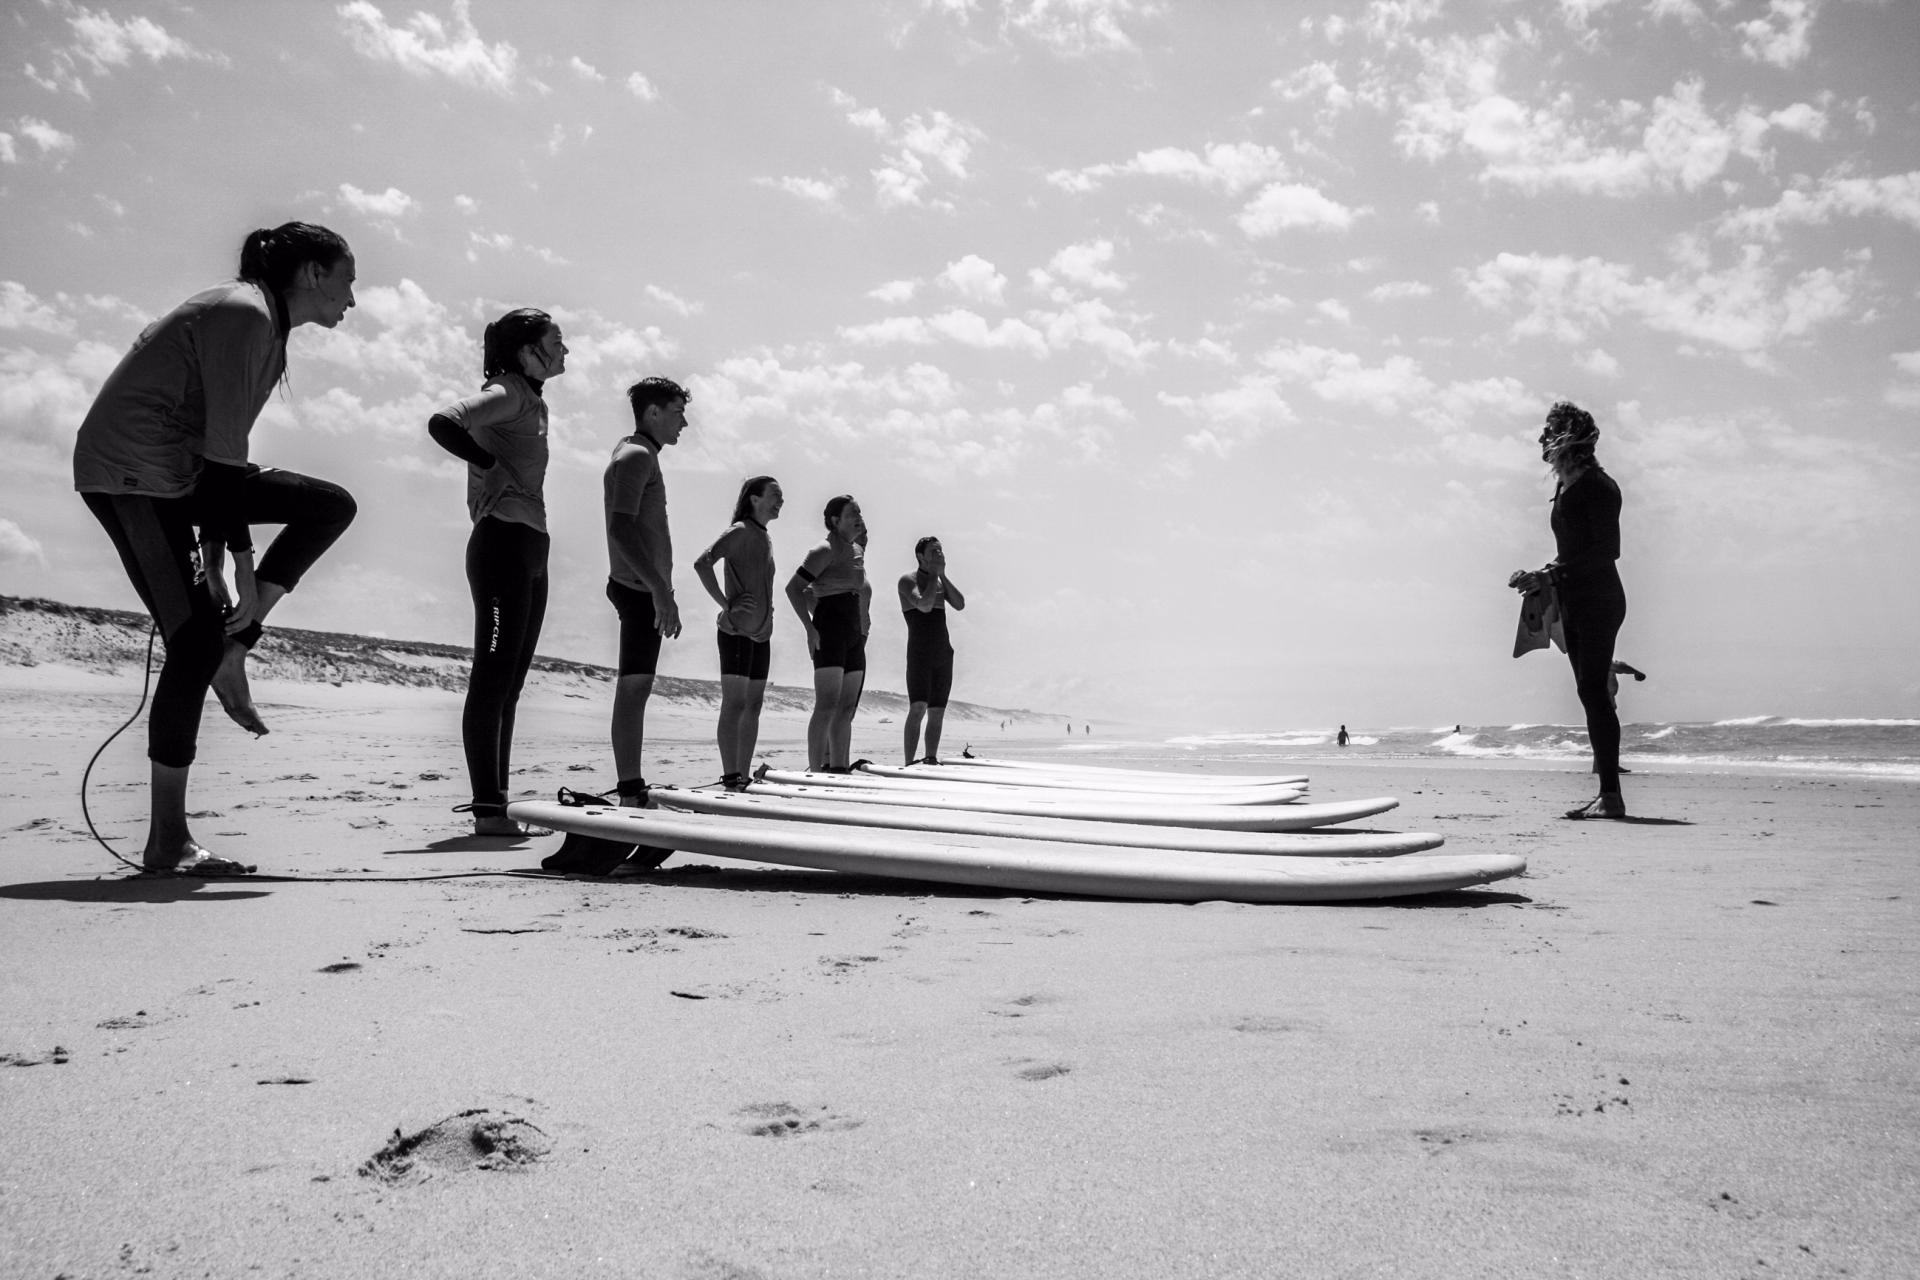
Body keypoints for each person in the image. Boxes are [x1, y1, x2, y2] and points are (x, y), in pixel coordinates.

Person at [72, 222, 360, 875]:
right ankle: (167, 841)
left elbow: (220, 458)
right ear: (313, 273)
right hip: (131, 477)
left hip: (185, 477)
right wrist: (240, 561)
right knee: (194, 643)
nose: (352, 298)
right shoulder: (244, 313)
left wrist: (219, 563)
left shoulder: (267, 327)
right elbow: (225, 466)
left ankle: (238, 642)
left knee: (329, 507)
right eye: (348, 279)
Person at [427, 308, 568, 836]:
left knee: (510, 684)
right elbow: (443, 422)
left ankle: (498, 805)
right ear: (528, 350)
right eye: (558, 340)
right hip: (501, 543)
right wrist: (489, 468)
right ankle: (487, 809)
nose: (566, 350)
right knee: (492, 678)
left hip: (532, 544)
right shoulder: (506, 391)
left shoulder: (533, 401)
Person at [1508, 401, 1628, 819]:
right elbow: (1572, 552)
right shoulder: (1565, 487)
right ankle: (1607, 794)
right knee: (1588, 691)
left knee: (1593, 690)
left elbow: (1605, 551)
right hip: (1573, 598)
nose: (1542, 439)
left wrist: (1550, 575)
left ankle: (1611, 796)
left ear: (1569, 437)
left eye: (1549, 431)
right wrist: (1541, 574)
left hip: (1600, 599)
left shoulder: (1599, 486)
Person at [596, 377, 687, 813]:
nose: (684, 422)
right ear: (653, 412)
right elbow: (620, 527)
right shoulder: (635, 456)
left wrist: (661, 589)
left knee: (639, 687)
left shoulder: (638, 452)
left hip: (643, 588)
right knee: (634, 690)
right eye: (677, 411)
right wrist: (657, 591)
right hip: (637, 589)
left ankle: (633, 786)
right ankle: (631, 790)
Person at [694, 476, 781, 789]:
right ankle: (731, 776)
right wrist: (726, 603)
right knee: (735, 704)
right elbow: (703, 563)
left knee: (754, 706)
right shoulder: (741, 530)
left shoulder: (764, 535)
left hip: (761, 635)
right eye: (774, 495)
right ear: (754, 499)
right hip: (736, 632)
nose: (780, 501)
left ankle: (743, 776)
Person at [785, 495, 869, 771]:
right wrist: (809, 628)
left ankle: (840, 768)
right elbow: (794, 588)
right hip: (829, 629)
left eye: (860, 512)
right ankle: (815, 770)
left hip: (853, 633)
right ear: (835, 520)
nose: (859, 517)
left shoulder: (856, 550)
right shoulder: (824, 549)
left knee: (847, 708)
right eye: (852, 513)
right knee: (827, 704)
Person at [897, 535, 966, 764]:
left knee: (937, 711)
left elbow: (959, 604)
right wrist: (935, 575)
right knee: (918, 707)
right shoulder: (908, 580)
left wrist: (942, 576)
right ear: (920, 556)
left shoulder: (939, 581)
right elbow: (924, 607)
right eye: (933, 552)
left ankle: (930, 758)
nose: (939, 556)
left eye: (940, 551)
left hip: (943, 653)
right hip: (919, 653)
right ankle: (908, 762)